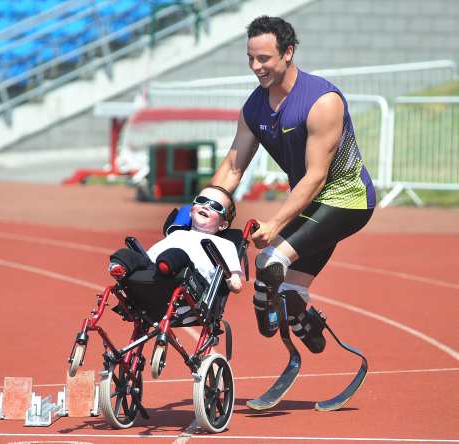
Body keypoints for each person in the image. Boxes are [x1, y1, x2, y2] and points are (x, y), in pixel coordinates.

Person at [210, 16, 376, 353]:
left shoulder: (321, 101)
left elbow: (316, 177)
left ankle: (263, 306)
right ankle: (308, 324)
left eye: (264, 59)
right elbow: (232, 166)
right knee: (289, 292)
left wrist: (274, 224)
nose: (256, 67)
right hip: (311, 203)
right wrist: (204, 207)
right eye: (251, 58)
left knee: (269, 262)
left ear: (288, 53)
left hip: (347, 201)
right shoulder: (254, 107)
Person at [108, 185, 243, 293]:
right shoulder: (177, 234)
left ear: (223, 225)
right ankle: (120, 267)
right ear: (190, 211)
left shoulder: (225, 244)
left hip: (191, 283)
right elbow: (149, 257)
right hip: (156, 273)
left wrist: (234, 281)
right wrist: (136, 259)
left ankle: (165, 267)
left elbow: (234, 276)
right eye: (201, 200)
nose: (206, 206)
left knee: (177, 255)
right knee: (128, 253)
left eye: (215, 206)